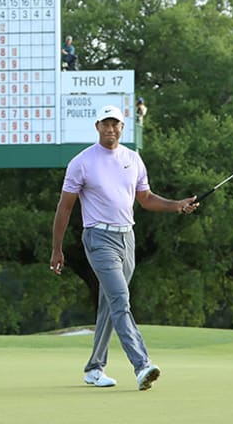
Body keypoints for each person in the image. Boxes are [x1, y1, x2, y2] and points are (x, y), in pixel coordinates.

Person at [50, 105, 199, 391]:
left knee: (110, 304)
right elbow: (64, 208)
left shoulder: (133, 159)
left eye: (115, 124)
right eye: (105, 124)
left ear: (122, 127)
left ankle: (94, 369)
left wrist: (176, 205)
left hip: (126, 239)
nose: (110, 129)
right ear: (97, 127)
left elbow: (145, 198)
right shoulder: (81, 162)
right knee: (120, 300)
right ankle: (142, 365)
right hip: (98, 239)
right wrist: (57, 249)